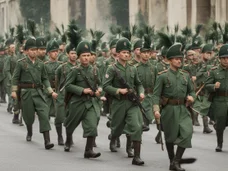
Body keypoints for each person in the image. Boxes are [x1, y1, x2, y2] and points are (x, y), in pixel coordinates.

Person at [153, 44, 196, 171]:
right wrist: (156, 110)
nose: (179, 61)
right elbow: (155, 95)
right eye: (176, 59)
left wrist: (192, 97)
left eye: (180, 59)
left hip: (183, 109)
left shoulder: (185, 75)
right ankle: (172, 161)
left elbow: (192, 91)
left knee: (187, 133)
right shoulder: (162, 76)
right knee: (170, 137)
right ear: (169, 60)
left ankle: (176, 161)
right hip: (169, 110)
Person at [103, 38, 145, 166]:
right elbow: (105, 86)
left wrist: (141, 92)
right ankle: (113, 138)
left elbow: (138, 84)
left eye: (128, 53)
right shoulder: (112, 69)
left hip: (132, 103)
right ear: (118, 54)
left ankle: (136, 156)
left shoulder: (133, 69)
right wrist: (118, 91)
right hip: (119, 103)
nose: (126, 55)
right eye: (123, 52)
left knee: (136, 127)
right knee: (117, 127)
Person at [11, 37, 58, 150]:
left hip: (38, 92)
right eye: (31, 50)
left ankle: (47, 141)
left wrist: (50, 91)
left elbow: (45, 79)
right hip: (26, 93)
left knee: (44, 114)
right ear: (26, 51)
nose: (34, 52)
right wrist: (13, 91)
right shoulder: (21, 64)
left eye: (35, 50)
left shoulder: (41, 64)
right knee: (28, 116)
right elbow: (15, 78)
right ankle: (29, 131)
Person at [64, 40, 101, 159]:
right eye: (83, 56)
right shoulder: (75, 70)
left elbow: (101, 84)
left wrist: (100, 90)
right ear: (79, 57)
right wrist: (82, 90)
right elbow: (68, 86)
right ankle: (68, 140)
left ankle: (88, 150)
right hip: (77, 103)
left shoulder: (95, 70)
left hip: (90, 102)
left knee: (92, 125)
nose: (86, 58)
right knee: (70, 124)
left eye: (88, 55)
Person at [205, 44, 228, 152]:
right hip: (219, 101)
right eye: (224, 58)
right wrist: (214, 86)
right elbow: (207, 85)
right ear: (220, 59)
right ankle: (219, 143)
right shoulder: (214, 71)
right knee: (220, 124)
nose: (226, 60)